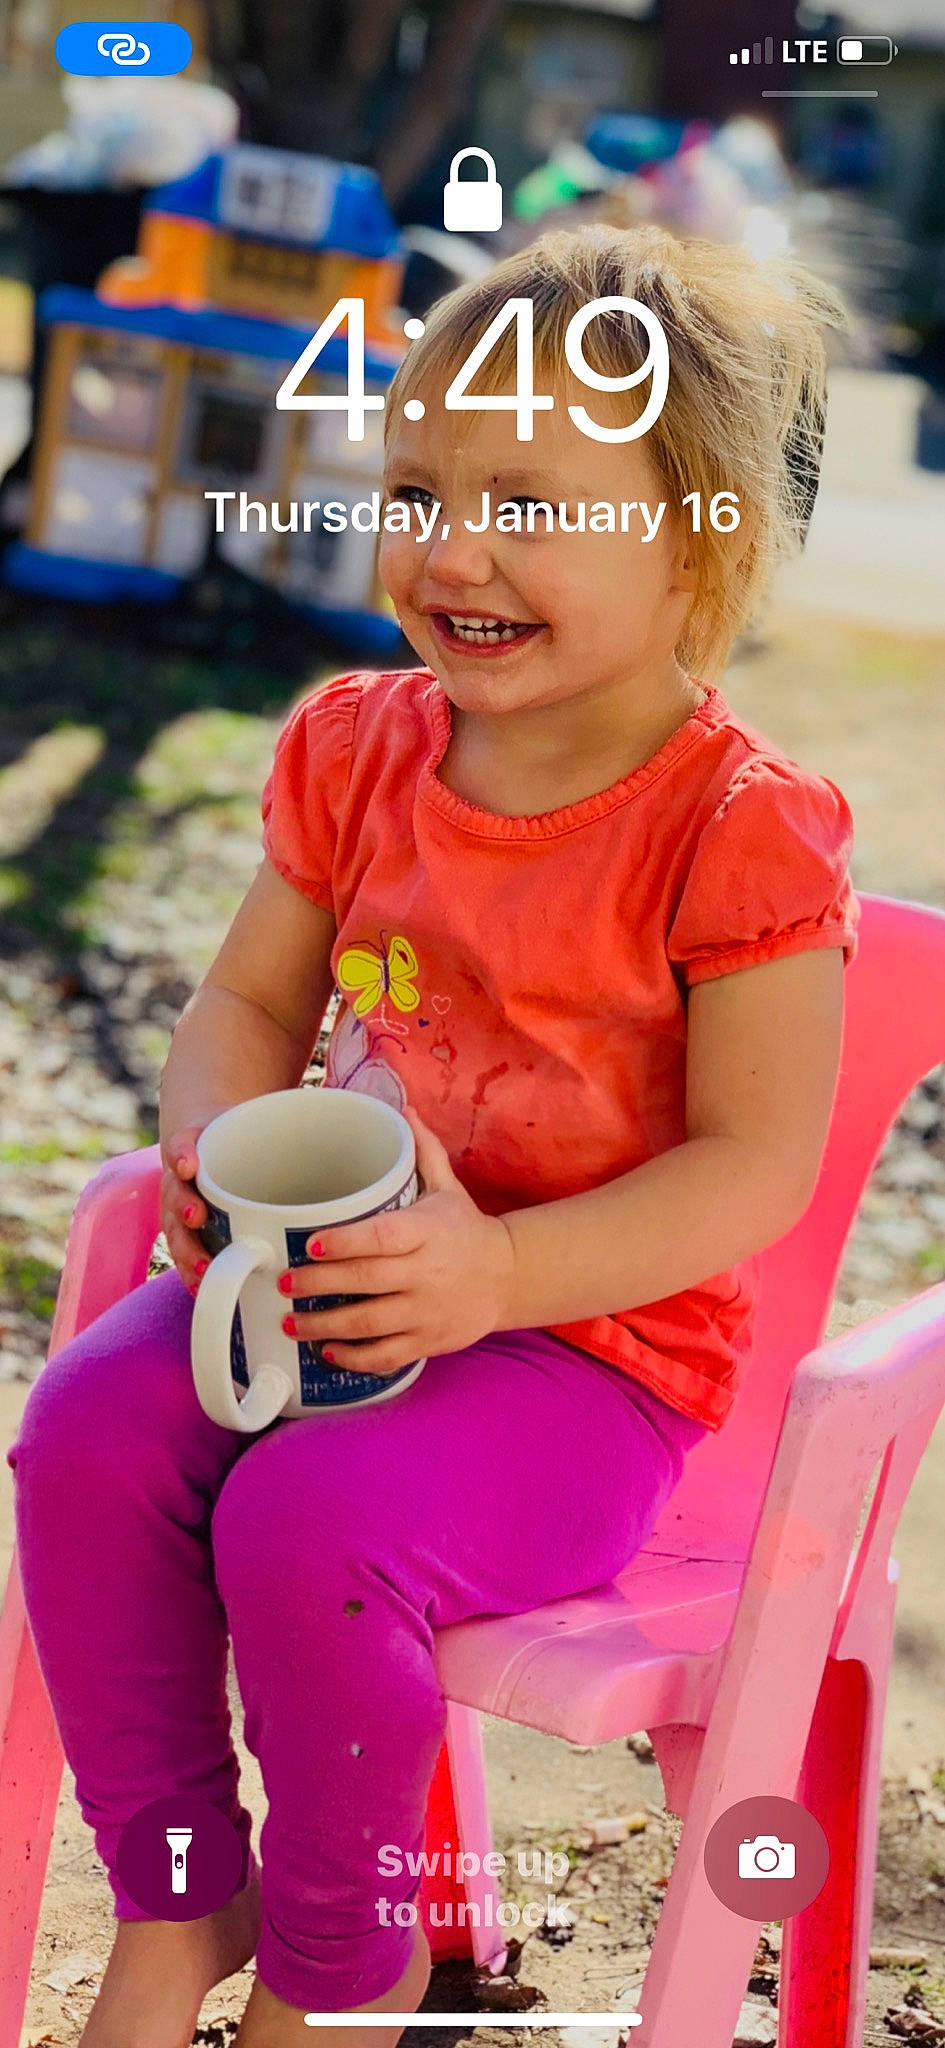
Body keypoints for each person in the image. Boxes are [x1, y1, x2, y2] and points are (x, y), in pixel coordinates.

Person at [9, 224, 859, 2048]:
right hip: (326, 1293)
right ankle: (178, 1900)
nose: (449, 549)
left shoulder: (737, 831)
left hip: (589, 1363)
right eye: (414, 487)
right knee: (83, 1429)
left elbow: (753, 1172)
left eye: (529, 507)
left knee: (311, 1527)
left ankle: (342, 1962)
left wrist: (501, 1273)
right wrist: (207, 1146)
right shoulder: (355, 751)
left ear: (695, 538)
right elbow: (245, 1004)